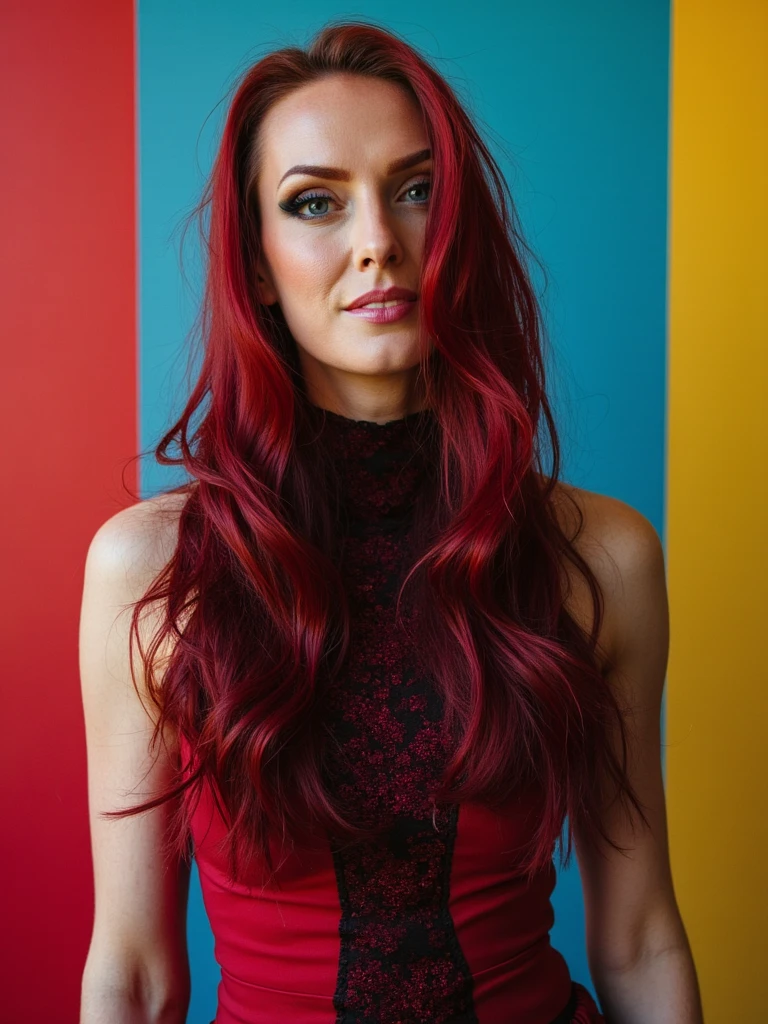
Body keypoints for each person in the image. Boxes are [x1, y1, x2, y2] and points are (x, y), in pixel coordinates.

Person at [78, 20, 703, 1024]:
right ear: (258, 263)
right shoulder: (152, 571)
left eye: (416, 189)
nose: (378, 240)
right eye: (315, 202)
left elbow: (639, 938)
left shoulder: (603, 557)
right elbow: (137, 972)